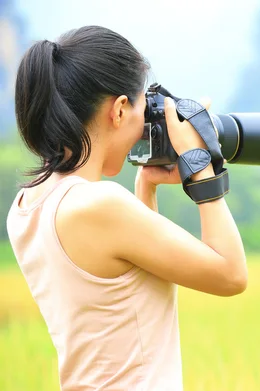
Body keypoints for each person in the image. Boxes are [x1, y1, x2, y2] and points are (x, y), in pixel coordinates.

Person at [5, 25, 247, 390]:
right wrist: (200, 163)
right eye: (140, 111)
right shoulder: (97, 205)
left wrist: (145, 187)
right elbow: (231, 275)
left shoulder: (26, 205)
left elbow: (117, 292)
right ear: (119, 110)